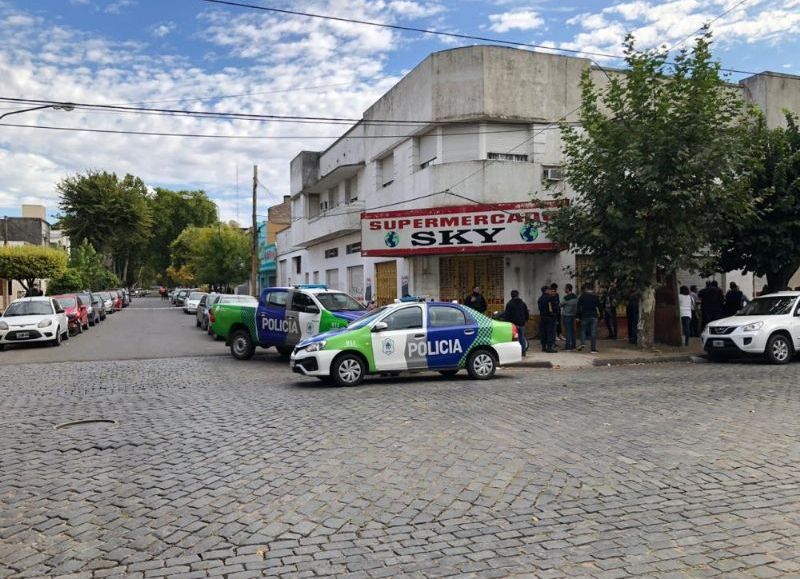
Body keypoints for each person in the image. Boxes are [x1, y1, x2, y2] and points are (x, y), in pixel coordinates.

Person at [504, 290, 530, 356]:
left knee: (514, 338)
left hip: (513, 324)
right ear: (518, 295)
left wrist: (506, 322)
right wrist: (526, 320)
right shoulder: (523, 303)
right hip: (522, 323)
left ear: (511, 295)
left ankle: (515, 352)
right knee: (522, 337)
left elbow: (507, 315)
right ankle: (523, 351)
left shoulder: (509, 304)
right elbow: (526, 313)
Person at [576, 283, 600, 353]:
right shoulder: (595, 296)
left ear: (586, 289)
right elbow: (599, 306)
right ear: (592, 289)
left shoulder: (582, 296)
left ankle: (582, 343)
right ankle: (593, 349)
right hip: (594, 316)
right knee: (593, 332)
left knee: (583, 330)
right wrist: (601, 316)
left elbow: (578, 306)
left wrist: (577, 316)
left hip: (584, 316)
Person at [537, 286, 557, 353]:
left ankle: (543, 347)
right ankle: (549, 347)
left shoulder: (540, 299)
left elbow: (540, 308)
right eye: (549, 290)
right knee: (550, 332)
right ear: (546, 290)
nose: (550, 291)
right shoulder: (550, 298)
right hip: (550, 317)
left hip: (542, 317)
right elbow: (552, 308)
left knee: (543, 332)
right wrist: (553, 314)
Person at [560, 284, 578, 351]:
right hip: (573, 315)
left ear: (567, 289)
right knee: (573, 330)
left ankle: (568, 347)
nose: (564, 290)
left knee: (568, 331)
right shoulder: (575, 297)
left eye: (565, 288)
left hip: (566, 315)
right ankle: (573, 345)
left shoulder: (566, 298)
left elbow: (560, 304)